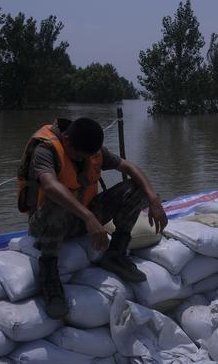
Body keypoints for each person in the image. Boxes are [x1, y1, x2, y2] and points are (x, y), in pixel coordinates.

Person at [17, 117, 168, 319]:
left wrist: (153, 199)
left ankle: (116, 252)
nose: (81, 160)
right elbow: (50, 186)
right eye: (78, 155)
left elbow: (129, 167)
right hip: (47, 222)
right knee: (58, 199)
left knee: (136, 189)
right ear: (67, 140)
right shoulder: (45, 150)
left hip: (83, 217)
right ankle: (49, 275)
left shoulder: (91, 151)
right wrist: (89, 217)